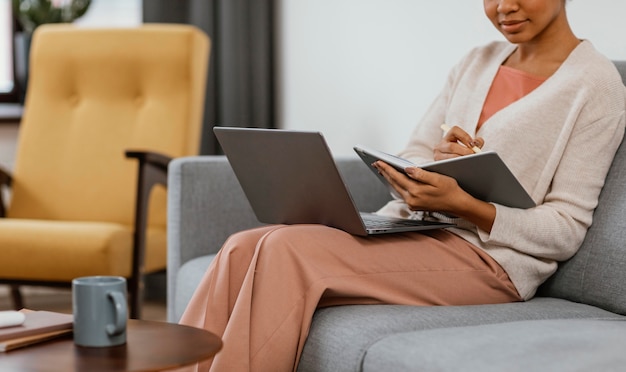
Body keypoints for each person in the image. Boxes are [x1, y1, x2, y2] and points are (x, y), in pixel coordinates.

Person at [180, 0, 626, 371]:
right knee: (243, 246)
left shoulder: (596, 85)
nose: (502, 7)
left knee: (284, 252)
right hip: (414, 229)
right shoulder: (478, 61)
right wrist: (428, 169)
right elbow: (411, 155)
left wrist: (466, 204)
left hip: (490, 261)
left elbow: (566, 228)